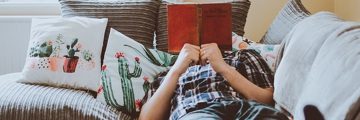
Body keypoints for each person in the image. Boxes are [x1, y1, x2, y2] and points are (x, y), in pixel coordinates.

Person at [139, 43, 289, 120]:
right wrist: (176, 70)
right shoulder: (166, 75)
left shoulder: (244, 56)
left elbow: (268, 101)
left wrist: (223, 67)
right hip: (195, 111)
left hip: (245, 108)